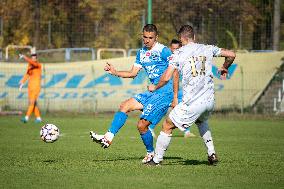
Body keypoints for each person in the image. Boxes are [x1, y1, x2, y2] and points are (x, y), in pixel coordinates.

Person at [147, 25, 236, 166]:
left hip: (193, 102)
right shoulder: (207, 48)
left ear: (181, 39)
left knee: (167, 125)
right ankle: (211, 153)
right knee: (201, 122)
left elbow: (166, 77)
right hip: (209, 101)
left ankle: (156, 160)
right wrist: (225, 67)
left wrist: (155, 86)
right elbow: (231, 54)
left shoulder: (178, 53)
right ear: (194, 37)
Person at [90, 24, 178, 164]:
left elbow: (176, 70)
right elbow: (132, 73)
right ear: (142, 36)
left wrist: (175, 96)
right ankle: (108, 137)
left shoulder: (164, 51)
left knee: (141, 126)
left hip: (164, 93)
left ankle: (151, 154)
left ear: (156, 37)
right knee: (124, 105)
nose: (147, 40)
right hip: (152, 92)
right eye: (145, 37)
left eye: (150, 37)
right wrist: (115, 72)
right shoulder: (141, 53)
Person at [148, 39, 196, 138]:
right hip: (166, 89)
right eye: (173, 48)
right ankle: (150, 127)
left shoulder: (183, 58)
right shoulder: (168, 59)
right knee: (163, 109)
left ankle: (187, 131)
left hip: (176, 90)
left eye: (177, 49)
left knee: (185, 105)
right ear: (170, 48)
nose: (174, 51)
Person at [19, 51, 42, 123]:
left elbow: (32, 62)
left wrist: (24, 57)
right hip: (30, 87)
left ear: (36, 59)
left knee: (31, 102)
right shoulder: (30, 66)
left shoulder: (38, 65)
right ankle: (38, 118)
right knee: (33, 103)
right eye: (32, 58)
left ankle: (26, 118)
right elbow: (27, 74)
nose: (33, 59)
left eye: (34, 58)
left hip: (36, 87)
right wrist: (22, 83)